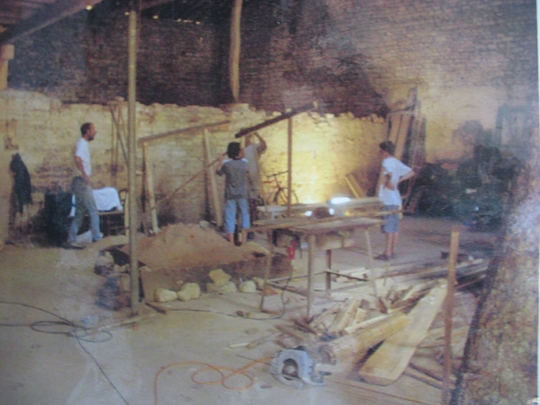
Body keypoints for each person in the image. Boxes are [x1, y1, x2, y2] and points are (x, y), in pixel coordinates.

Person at [65, 123, 103, 249]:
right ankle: (97, 237)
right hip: (81, 181)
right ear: (87, 131)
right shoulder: (82, 143)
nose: (95, 132)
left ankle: (71, 239)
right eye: (93, 130)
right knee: (93, 210)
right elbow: (78, 159)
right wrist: (85, 175)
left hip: (77, 181)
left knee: (80, 212)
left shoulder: (81, 143)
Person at [375, 140, 415, 261]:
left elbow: (390, 175)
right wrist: (398, 181)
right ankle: (391, 251)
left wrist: (390, 183)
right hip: (396, 199)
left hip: (389, 199)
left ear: (384, 150)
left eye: (380, 149)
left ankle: (387, 253)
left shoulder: (386, 161)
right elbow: (411, 172)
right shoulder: (396, 161)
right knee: (395, 227)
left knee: (388, 226)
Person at [216, 142, 250, 245]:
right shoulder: (244, 162)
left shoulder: (226, 164)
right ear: (238, 151)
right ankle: (244, 241)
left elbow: (218, 172)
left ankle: (231, 242)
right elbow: (246, 169)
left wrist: (220, 161)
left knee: (230, 217)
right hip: (242, 194)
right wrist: (242, 152)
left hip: (230, 194)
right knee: (244, 215)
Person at [243, 132, 267, 233]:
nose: (246, 138)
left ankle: (255, 221)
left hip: (253, 174)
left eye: (248, 136)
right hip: (244, 176)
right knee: (246, 201)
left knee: (253, 199)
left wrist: (257, 135)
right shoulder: (242, 149)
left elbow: (264, 146)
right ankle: (248, 223)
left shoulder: (254, 147)